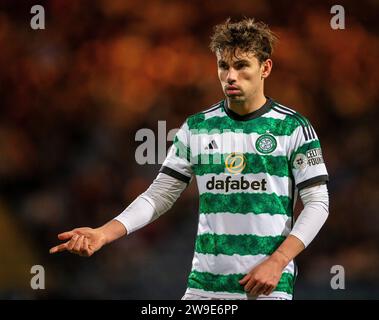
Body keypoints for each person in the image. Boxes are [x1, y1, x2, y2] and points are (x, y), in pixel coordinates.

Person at [50, 18, 329, 300]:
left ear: (265, 68)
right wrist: (103, 234)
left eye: (242, 65)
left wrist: (278, 262)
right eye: (224, 66)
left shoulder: (293, 128)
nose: (231, 76)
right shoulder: (197, 127)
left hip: (265, 288)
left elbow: (318, 204)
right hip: (203, 290)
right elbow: (160, 195)